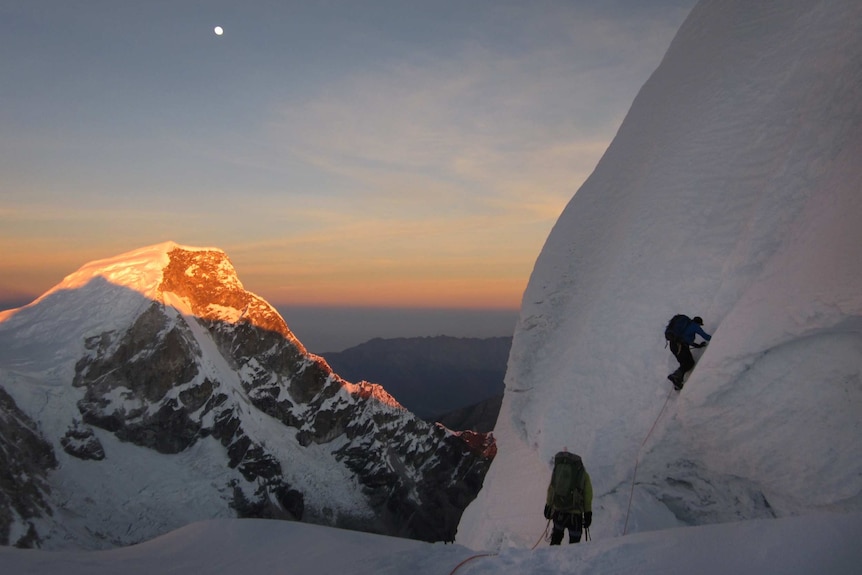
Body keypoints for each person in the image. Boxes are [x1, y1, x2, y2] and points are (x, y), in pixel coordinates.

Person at [543, 451, 593, 545]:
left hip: (559, 513)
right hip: (575, 516)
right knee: (574, 546)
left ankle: (552, 558)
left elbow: (552, 489)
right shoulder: (583, 474)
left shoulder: (559, 472)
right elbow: (588, 495)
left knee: (556, 539)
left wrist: (548, 505)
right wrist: (588, 513)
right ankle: (571, 559)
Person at [667, 315, 711, 390]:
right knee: (689, 363)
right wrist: (717, 338)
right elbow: (705, 336)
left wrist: (697, 345)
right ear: (698, 323)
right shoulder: (695, 326)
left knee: (684, 363)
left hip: (673, 345)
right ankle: (675, 376)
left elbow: (686, 339)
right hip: (680, 346)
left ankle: (678, 381)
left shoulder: (686, 326)